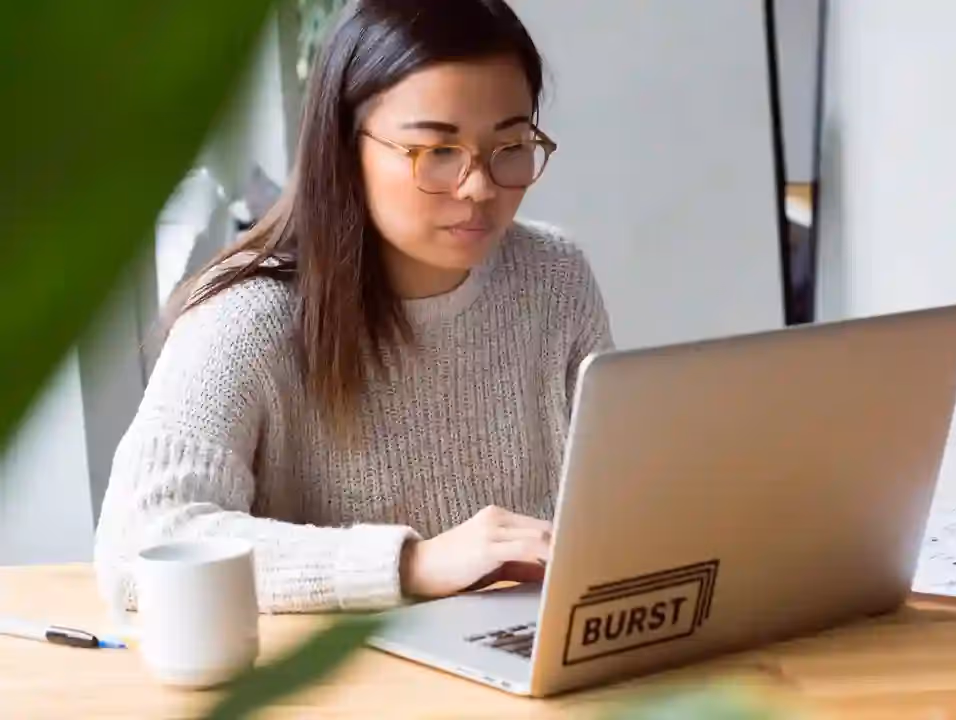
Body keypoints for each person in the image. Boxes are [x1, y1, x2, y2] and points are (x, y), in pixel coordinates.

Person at [94, 0, 612, 613]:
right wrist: (409, 563)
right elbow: (140, 547)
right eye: (437, 151)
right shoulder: (248, 315)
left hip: (522, 666)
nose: (480, 187)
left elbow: (614, 503)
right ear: (345, 147)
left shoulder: (555, 278)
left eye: (511, 145)